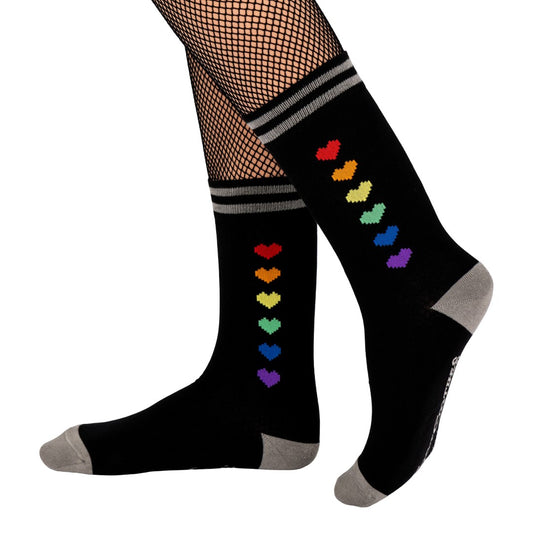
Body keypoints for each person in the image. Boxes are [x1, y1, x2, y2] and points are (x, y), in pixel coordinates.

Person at [40, 0, 492, 507]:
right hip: (263, 370)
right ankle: (262, 373)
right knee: (213, 32)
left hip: (405, 271)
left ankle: (405, 264)